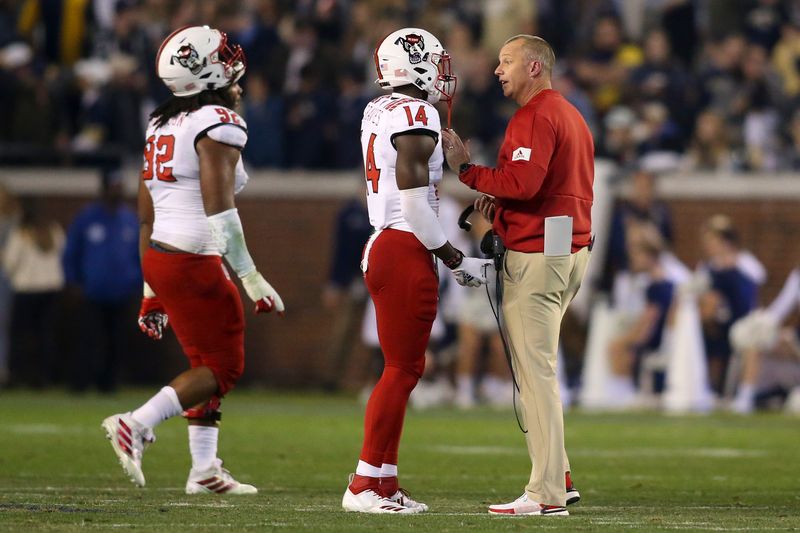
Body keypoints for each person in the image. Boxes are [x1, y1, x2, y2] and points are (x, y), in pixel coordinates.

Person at [101, 26, 284, 495]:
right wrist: (251, 276)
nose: (236, 70)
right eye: (224, 59)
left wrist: (150, 289)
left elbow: (147, 215)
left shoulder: (162, 123)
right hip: (194, 261)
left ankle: (204, 470)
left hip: (164, 256)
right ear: (205, 72)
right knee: (222, 370)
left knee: (204, 362)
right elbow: (220, 209)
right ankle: (136, 423)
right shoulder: (216, 121)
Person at [341, 27, 491, 515]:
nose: (443, 72)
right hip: (405, 242)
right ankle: (364, 483)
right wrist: (456, 259)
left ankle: (383, 481)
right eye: (435, 61)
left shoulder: (380, 108)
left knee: (405, 369)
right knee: (401, 370)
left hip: (390, 241)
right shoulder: (414, 112)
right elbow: (415, 204)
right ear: (416, 64)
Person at [443, 34, 593, 516]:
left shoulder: (536, 115)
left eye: (507, 61)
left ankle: (546, 494)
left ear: (534, 67)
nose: (496, 69)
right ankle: (560, 477)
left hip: (538, 256)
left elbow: (523, 184)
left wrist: (467, 171)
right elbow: (542, 188)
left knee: (536, 374)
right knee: (536, 370)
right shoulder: (569, 113)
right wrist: (502, 199)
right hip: (568, 249)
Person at [62, 168, 142, 393]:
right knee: (88, 340)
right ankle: (80, 384)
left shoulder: (129, 220)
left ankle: (108, 384)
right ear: (104, 189)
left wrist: (138, 282)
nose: (118, 191)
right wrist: (73, 281)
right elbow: (72, 253)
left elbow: (139, 255)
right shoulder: (87, 218)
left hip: (122, 292)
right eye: (114, 187)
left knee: (116, 341)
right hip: (91, 292)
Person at [2, 197, 64, 388]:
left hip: (26, 290)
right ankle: (43, 377)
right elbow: (63, 253)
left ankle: (19, 376)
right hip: (51, 289)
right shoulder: (53, 231)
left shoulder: (21, 234)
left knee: (21, 336)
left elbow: (10, 263)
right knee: (45, 335)